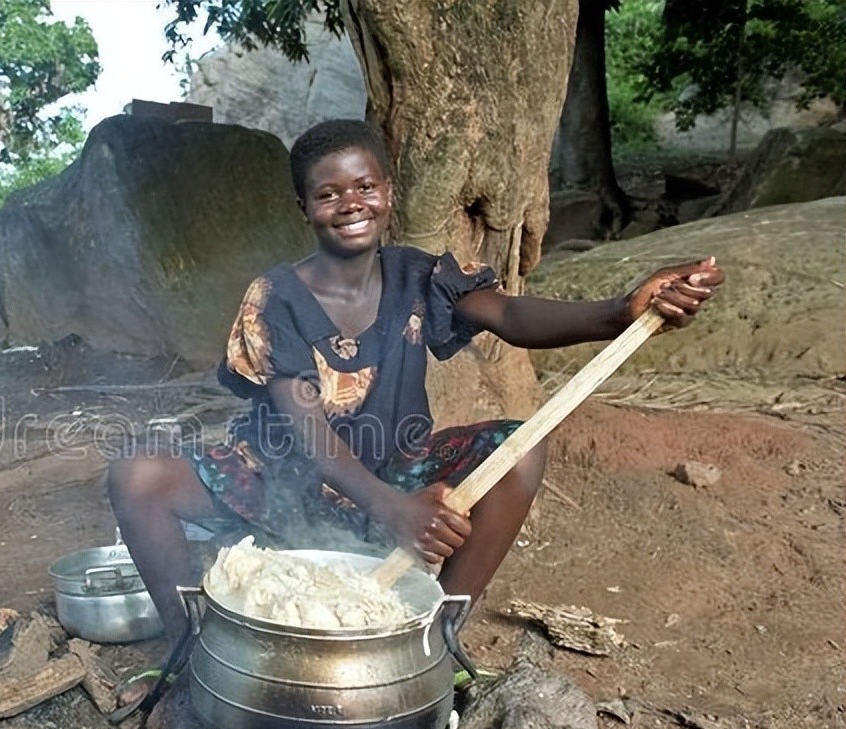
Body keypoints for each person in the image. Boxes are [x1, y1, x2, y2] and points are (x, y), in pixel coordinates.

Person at [107, 119, 724, 650]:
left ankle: (434, 640)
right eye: (328, 193)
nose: (351, 203)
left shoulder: (420, 276)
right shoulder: (275, 299)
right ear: (304, 208)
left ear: (388, 193)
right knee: (137, 476)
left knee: (519, 451)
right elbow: (304, 426)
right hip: (277, 478)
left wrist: (617, 312)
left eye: (365, 186)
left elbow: (509, 316)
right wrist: (392, 509)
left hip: (396, 470)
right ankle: (190, 652)